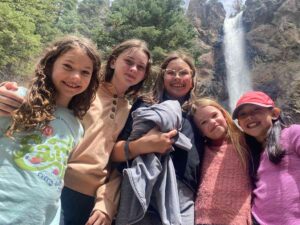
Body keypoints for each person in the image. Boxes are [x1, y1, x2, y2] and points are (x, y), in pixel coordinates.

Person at [0, 39, 152, 225]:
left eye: (141, 67)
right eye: (129, 62)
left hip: (87, 198)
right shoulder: (82, 93)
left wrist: (107, 202)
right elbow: (41, 104)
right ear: (113, 61)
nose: (133, 69)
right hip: (50, 184)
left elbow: (117, 163)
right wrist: (8, 94)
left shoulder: (130, 111)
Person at [0, 35, 101, 225]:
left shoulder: (77, 127)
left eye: (85, 72)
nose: (75, 77)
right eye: (68, 66)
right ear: (50, 64)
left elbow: (56, 176)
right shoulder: (18, 99)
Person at [111, 51, 201, 225]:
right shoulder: (145, 106)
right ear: (162, 77)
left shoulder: (198, 114)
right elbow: (115, 153)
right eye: (171, 72)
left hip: (184, 197)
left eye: (183, 73)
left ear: (193, 79)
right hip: (146, 186)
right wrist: (144, 145)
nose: (177, 77)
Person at [232, 91, 300, 225]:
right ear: (239, 124)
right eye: (243, 114)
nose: (249, 117)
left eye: (256, 110)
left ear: (274, 114)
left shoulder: (293, 133)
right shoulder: (248, 154)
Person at [190, 98, 252, 225]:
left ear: (223, 114)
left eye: (214, 115)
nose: (212, 122)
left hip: (237, 219)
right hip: (203, 220)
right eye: (203, 122)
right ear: (200, 132)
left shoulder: (246, 143)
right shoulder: (200, 151)